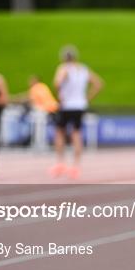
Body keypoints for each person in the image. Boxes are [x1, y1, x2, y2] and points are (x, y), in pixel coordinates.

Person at [50, 45, 103, 179]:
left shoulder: (64, 68)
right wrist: (87, 98)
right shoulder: (83, 69)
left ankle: (60, 163)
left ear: (63, 58)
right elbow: (98, 84)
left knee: (60, 132)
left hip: (66, 105)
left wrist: (60, 93)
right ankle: (76, 166)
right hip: (80, 105)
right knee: (76, 134)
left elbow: (57, 82)